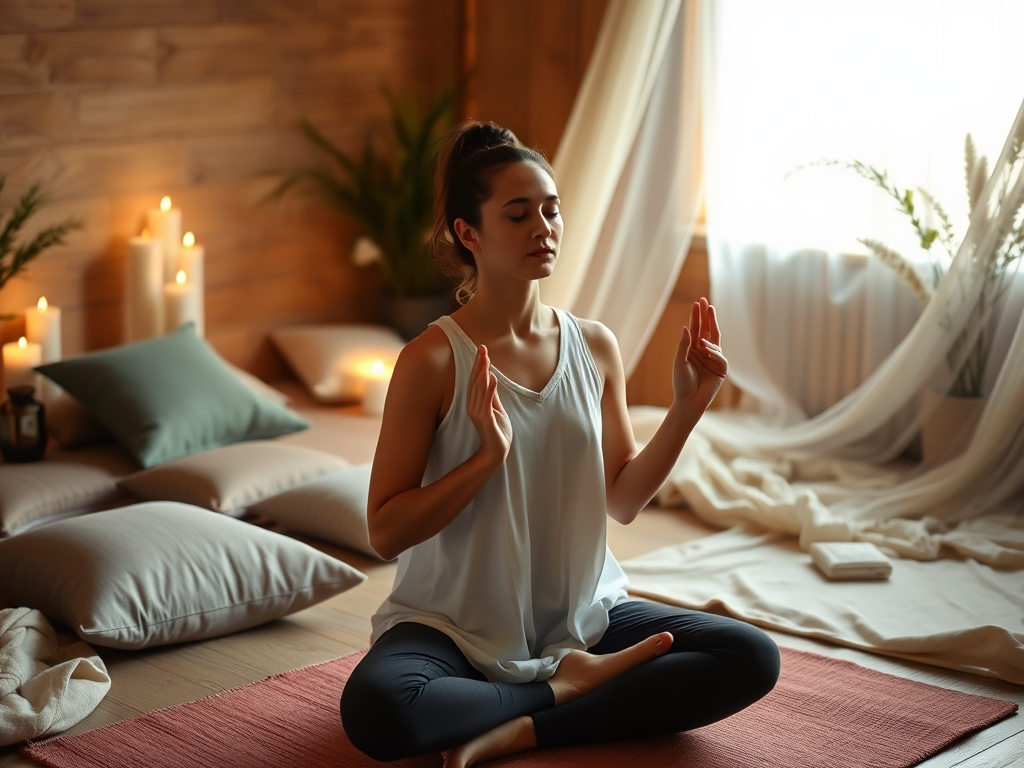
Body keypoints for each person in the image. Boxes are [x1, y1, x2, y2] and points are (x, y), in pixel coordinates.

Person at [340, 121, 780, 767]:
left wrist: (689, 408)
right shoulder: (432, 360)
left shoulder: (595, 346)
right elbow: (385, 531)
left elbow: (623, 498)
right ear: (469, 233)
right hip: (451, 629)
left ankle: (524, 721)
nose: (543, 227)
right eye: (518, 214)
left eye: (551, 210)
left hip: (585, 622)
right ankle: (560, 691)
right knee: (380, 711)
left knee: (750, 656)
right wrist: (486, 459)